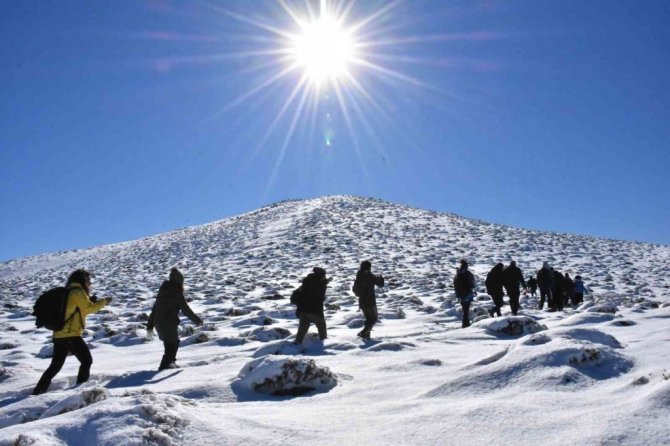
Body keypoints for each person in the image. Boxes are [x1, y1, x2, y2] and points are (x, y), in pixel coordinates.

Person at [32, 269, 111, 395]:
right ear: (82, 280)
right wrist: (104, 301)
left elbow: (76, 308)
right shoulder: (78, 292)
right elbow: (88, 309)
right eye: (88, 280)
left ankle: (38, 391)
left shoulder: (68, 291)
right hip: (71, 335)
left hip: (59, 335)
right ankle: (81, 390)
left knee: (55, 366)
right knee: (86, 360)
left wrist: (91, 300)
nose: (90, 283)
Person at [147, 268, 203, 371]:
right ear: (179, 281)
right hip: (168, 323)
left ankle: (170, 364)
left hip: (159, 323)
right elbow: (186, 309)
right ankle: (165, 367)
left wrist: (150, 326)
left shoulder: (163, 291)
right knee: (172, 344)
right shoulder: (176, 292)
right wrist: (197, 321)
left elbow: (154, 309)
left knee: (170, 344)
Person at [294, 267, 331, 344]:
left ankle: (297, 343)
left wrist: (325, 282)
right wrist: (325, 283)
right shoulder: (320, 284)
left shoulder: (307, 281)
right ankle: (323, 342)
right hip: (314, 310)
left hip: (302, 309)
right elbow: (320, 295)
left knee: (302, 328)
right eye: (324, 275)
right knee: (321, 325)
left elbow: (315, 285)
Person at [353, 260, 384, 340]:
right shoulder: (369, 276)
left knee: (368, 318)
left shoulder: (359, 275)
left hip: (362, 301)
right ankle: (364, 333)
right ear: (369, 267)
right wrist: (381, 278)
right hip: (370, 301)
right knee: (374, 318)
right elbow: (380, 284)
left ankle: (366, 336)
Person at [453, 259, 476, 328]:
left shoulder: (457, 274)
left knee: (464, 308)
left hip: (460, 294)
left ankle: (466, 322)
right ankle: (465, 323)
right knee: (466, 309)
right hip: (467, 293)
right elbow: (472, 283)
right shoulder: (467, 274)